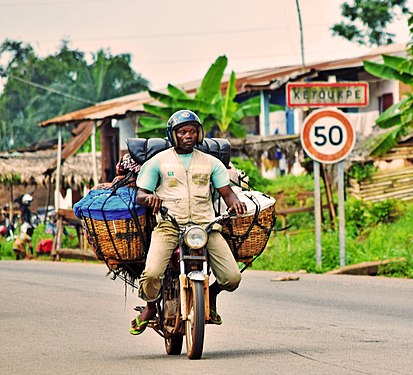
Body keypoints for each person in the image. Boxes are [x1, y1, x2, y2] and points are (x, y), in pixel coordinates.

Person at [130, 109, 247, 335]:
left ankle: (210, 296)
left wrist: (235, 203)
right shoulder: (158, 162)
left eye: (192, 131)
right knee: (153, 273)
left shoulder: (212, 163)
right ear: (173, 135)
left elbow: (227, 192)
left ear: (199, 134)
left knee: (232, 277)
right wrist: (150, 198)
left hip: (206, 227)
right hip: (169, 225)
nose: (188, 136)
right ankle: (151, 306)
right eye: (182, 132)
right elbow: (140, 194)